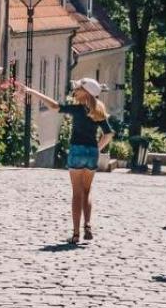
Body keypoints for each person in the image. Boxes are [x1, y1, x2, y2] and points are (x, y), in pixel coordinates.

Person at [26, 77, 114, 245]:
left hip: (77, 151)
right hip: (91, 153)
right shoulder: (99, 111)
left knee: (77, 194)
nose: (75, 91)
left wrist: (34, 92)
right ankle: (87, 225)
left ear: (86, 92)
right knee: (87, 191)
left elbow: (54, 106)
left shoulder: (78, 109)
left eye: (79, 88)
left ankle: (75, 234)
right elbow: (108, 134)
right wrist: (97, 148)